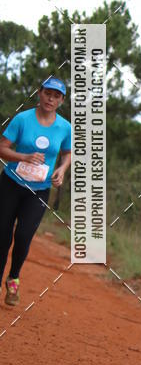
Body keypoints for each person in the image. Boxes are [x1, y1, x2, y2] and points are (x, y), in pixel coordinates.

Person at [0, 77, 72, 306]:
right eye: (48, 93)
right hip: (10, 184)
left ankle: (13, 278)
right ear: (39, 93)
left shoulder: (64, 127)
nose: (51, 99)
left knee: (23, 237)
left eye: (56, 96)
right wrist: (23, 157)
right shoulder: (22, 119)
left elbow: (67, 153)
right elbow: (2, 148)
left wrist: (61, 169)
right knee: (2, 237)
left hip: (38, 191)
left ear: (61, 100)